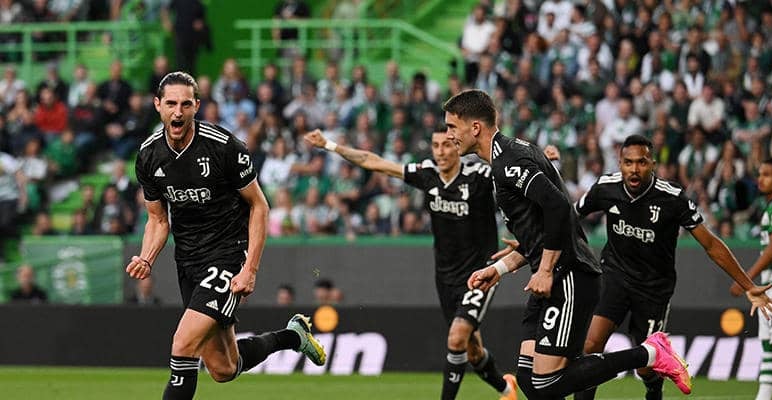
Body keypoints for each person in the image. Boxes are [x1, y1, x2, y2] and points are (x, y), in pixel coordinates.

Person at [446, 89, 691, 399]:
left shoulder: (509, 161)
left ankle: (651, 353)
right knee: (529, 381)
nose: (449, 135)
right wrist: (500, 268)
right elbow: (545, 228)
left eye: (452, 127)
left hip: (568, 275)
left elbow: (559, 208)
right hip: (550, 277)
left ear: (475, 127)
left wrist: (546, 269)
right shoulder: (511, 154)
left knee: (547, 382)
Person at [130, 71, 325, 400]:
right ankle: (293, 336)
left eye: (186, 104)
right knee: (223, 368)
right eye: (171, 104)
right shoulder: (149, 155)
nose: (178, 112)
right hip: (188, 260)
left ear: (197, 106)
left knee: (183, 344)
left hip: (227, 254)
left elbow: (259, 206)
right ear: (158, 105)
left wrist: (249, 269)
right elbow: (158, 220)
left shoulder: (223, 147)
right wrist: (147, 258)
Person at [304, 127, 519, 400]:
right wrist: (330, 145)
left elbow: (516, 176)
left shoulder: (480, 176)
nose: (440, 152)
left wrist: (544, 163)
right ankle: (506, 389)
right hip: (446, 277)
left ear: (457, 147)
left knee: (456, 337)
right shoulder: (427, 174)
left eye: (446, 145)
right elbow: (373, 161)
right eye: (436, 145)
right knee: (472, 349)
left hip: (480, 273)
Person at [570, 134, 772, 400]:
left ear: (653, 164)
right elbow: (569, 216)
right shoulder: (605, 188)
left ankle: (654, 387)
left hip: (653, 288)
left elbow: (711, 244)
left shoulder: (672, 198)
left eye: (642, 162)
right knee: (591, 345)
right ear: (620, 163)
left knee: (645, 368)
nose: (634, 169)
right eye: (628, 162)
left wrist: (748, 285)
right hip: (615, 276)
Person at [730, 158, 772, 400]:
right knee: (769, 347)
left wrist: (745, 279)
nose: (760, 179)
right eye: (759, 174)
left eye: (767, 174)